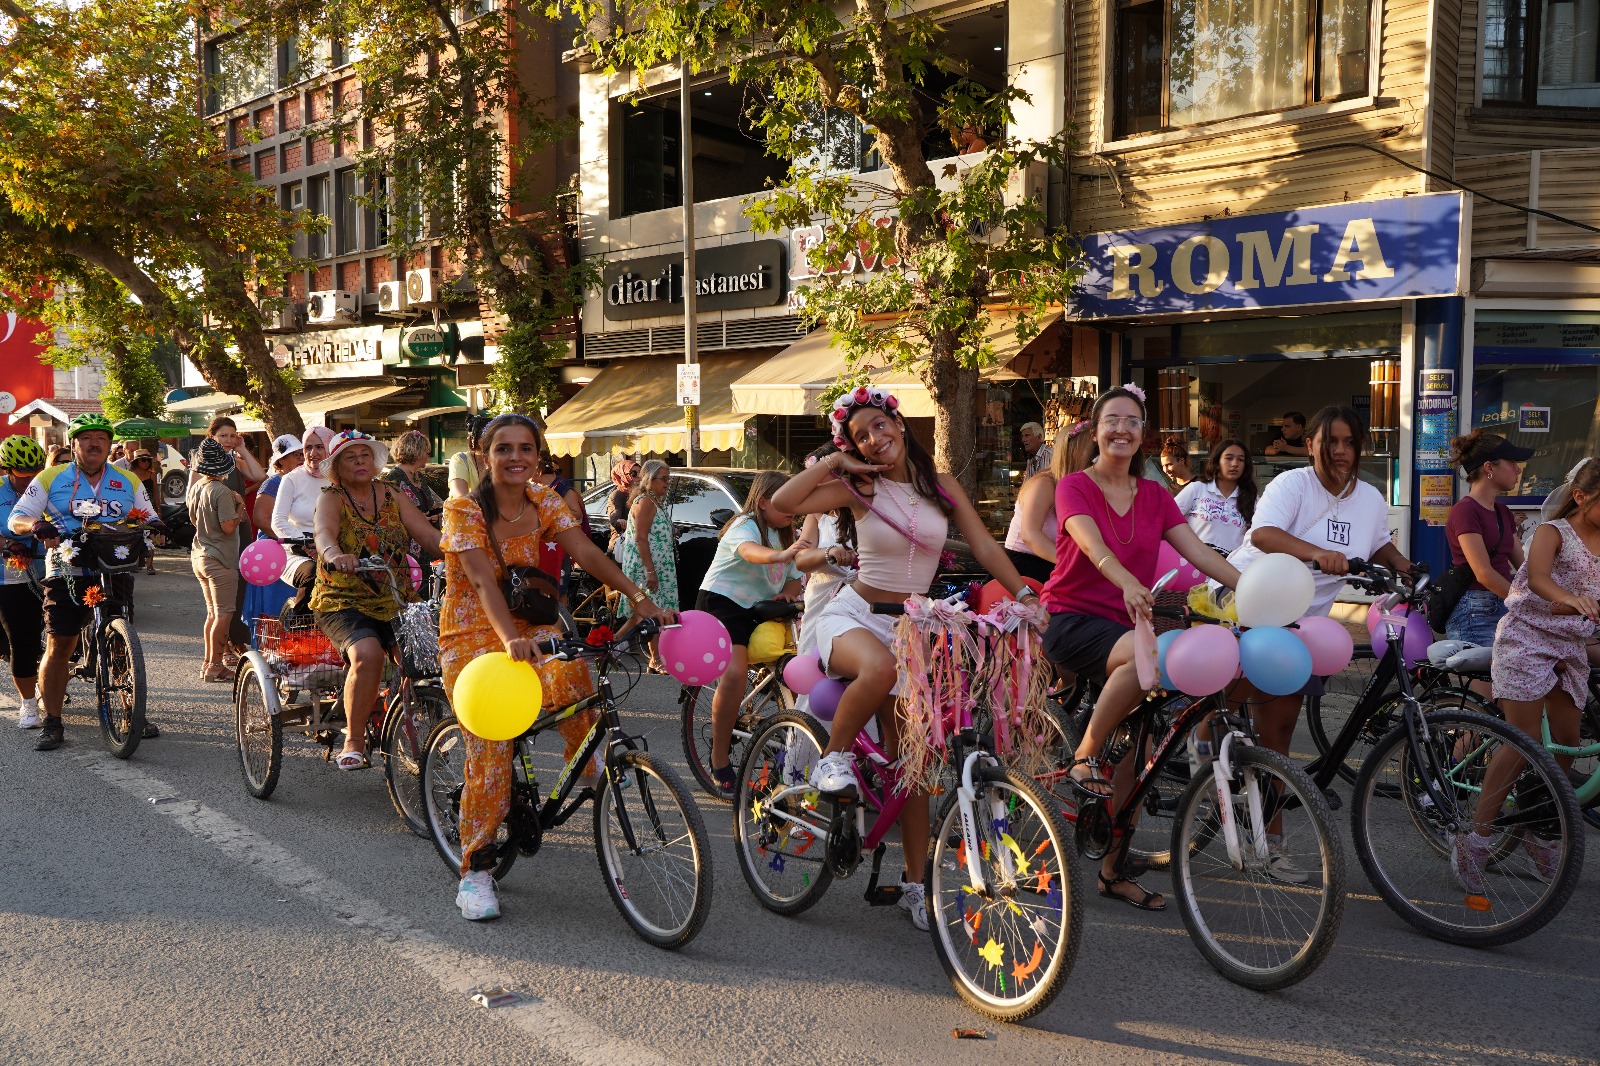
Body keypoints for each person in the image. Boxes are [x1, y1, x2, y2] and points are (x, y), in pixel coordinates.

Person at [771, 385, 1043, 932]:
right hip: (852, 617)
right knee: (878, 670)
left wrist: (1027, 596)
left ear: (900, 423)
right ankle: (834, 757)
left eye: (880, 425)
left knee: (913, 769)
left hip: (913, 629)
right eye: (862, 435)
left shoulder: (939, 486)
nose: (875, 438)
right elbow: (782, 505)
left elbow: (987, 549)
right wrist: (837, 461)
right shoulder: (857, 486)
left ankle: (916, 887)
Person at [440, 414, 673, 920]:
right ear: (485, 457)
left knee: (573, 672)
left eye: (526, 448)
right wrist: (509, 641)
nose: (516, 457)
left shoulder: (544, 500)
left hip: (531, 628)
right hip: (473, 636)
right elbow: (481, 582)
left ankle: (589, 770)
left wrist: (641, 598)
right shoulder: (462, 509)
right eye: (504, 448)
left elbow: (586, 551)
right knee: (492, 745)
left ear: (539, 455)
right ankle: (476, 869)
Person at [1045, 386, 1240, 912]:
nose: (1122, 430)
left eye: (1133, 422)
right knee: (1144, 656)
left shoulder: (1154, 495)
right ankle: (1084, 754)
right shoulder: (1074, 487)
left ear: (1143, 433)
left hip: (1134, 623)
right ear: (1095, 428)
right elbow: (1092, 545)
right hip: (1074, 621)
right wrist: (1129, 582)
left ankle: (1112, 870)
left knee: (1138, 753)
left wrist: (1248, 589)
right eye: (1113, 420)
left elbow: (1196, 549)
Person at [1226, 405, 1411, 879]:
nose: (1342, 452)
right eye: (1332, 442)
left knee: (1278, 728)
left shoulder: (1368, 496)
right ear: (1311, 444)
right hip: (1253, 599)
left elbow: (1375, 547)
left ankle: (1226, 757)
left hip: (1307, 621)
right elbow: (1263, 534)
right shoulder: (1293, 485)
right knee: (1275, 727)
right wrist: (1318, 554)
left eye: (1350, 442)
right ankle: (1268, 840)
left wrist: (1409, 569)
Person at [1457, 456, 1600, 893]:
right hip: (1526, 639)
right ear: (1581, 496)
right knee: (1524, 743)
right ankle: (1476, 839)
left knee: (1567, 748)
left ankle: (1537, 828)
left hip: (1570, 645)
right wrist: (1571, 598)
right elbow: (1537, 578)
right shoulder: (1552, 532)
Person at [8, 414, 160, 751]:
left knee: (121, 642)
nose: (94, 443)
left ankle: (129, 711)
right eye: (86, 438)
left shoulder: (127, 479)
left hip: (114, 568)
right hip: (67, 571)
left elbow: (149, 514)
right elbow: (17, 517)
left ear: (108, 445)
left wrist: (161, 525)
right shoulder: (50, 478)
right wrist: (35, 526)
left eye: (101, 438)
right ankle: (53, 720)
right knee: (61, 643)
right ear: (73, 444)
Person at [310, 431, 442, 769]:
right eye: (351, 457)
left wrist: (460, 551)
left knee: (424, 659)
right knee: (367, 655)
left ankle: (423, 727)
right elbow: (323, 533)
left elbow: (425, 534)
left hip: (396, 596)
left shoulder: (393, 493)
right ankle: (353, 741)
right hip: (343, 597)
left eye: (365, 456)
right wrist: (334, 554)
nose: (359, 462)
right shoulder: (332, 497)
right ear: (337, 466)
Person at [695, 471, 810, 793]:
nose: (793, 507)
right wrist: (781, 555)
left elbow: (794, 575)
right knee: (734, 673)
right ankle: (719, 758)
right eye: (785, 500)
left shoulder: (790, 533)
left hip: (761, 604)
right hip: (724, 601)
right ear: (762, 501)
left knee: (793, 665)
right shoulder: (745, 524)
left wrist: (788, 590)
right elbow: (750, 552)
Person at [1442, 431, 1531, 702]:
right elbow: (1483, 572)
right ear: (1489, 468)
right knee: (1481, 711)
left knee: (1509, 704)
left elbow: (1525, 567)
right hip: (1474, 613)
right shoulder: (1465, 511)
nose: (1518, 469)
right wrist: (1527, 602)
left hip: (1503, 609)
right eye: (1512, 462)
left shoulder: (1502, 512)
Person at [187, 439, 246, 683]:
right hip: (220, 557)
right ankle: (214, 666)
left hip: (200, 554)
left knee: (212, 613)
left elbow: (193, 520)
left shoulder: (198, 486)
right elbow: (229, 527)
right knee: (223, 614)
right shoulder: (220, 491)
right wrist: (240, 506)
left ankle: (209, 664)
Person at [0, 436, 48, 729]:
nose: (29, 479)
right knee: (23, 640)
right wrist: (6, 542)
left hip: (51, 567)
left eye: (35, 472)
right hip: (9, 575)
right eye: (22, 474)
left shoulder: (48, 486)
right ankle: (28, 704)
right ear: (7, 470)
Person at [1004, 423, 1087, 583]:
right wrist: (1074, 564)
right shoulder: (1045, 483)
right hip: (1025, 566)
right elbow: (1030, 535)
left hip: (1052, 561)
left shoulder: (1081, 483)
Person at [615, 459, 676, 673]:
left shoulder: (653, 501)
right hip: (647, 566)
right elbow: (641, 538)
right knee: (654, 613)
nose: (667, 483)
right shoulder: (646, 502)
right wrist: (650, 571)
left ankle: (610, 646)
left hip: (657, 564)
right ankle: (655, 659)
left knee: (641, 614)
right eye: (663, 479)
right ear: (650, 479)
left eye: (669, 479)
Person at [242, 435, 305, 635]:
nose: (301, 458)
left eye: (301, 453)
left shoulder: (305, 481)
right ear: (280, 461)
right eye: (294, 455)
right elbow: (261, 519)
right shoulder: (273, 483)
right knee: (275, 607)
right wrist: (292, 539)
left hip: (302, 548)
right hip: (274, 552)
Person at [271, 426, 335, 589]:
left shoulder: (339, 478)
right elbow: (278, 522)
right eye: (308, 447)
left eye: (319, 447)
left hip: (334, 549)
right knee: (312, 575)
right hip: (297, 552)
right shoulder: (291, 479)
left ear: (331, 448)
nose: (313, 453)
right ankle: (298, 614)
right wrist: (307, 542)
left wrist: (324, 545)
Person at [1175, 438, 1257, 556]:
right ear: (1217, 461)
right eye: (1229, 458)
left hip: (1231, 567)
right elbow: (1169, 519)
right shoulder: (1197, 489)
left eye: (1240, 460)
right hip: (1193, 564)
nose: (1235, 464)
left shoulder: (1253, 500)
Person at [383, 429, 445, 565]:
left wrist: (433, 513)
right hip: (406, 548)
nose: (428, 456)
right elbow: (388, 514)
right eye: (426, 451)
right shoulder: (394, 478)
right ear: (415, 451)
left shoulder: (419, 476)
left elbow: (431, 504)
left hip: (426, 545)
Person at [126, 449, 162, 574]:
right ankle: (135, 562)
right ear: (136, 461)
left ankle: (150, 565)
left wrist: (158, 510)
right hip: (133, 510)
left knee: (151, 537)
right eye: (143, 460)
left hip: (149, 509)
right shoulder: (129, 474)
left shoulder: (152, 474)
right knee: (134, 537)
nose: (146, 462)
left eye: (148, 460)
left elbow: (156, 493)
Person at [448, 415, 491, 499]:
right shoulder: (460, 459)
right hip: (464, 511)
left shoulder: (502, 460)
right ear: (480, 442)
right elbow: (460, 496)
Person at [606, 455, 642, 555]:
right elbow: (614, 517)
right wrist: (620, 521)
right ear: (623, 475)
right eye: (634, 473)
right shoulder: (617, 495)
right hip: (621, 546)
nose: (639, 476)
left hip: (636, 543)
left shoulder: (640, 493)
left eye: (641, 473)